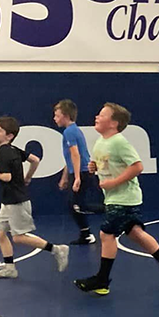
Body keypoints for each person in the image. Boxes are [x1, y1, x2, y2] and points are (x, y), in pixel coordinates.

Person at [74, 103, 159, 296]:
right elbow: (106, 164)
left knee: (106, 235)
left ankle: (102, 280)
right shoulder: (101, 142)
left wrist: (114, 182)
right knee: (134, 233)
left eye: (102, 115)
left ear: (114, 123)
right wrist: (94, 166)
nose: (96, 117)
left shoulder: (119, 142)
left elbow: (137, 166)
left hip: (123, 198)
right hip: (116, 197)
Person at [0, 117, 69, 279]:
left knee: (18, 237)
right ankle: (10, 268)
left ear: (9, 136)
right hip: (9, 200)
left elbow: (6, 177)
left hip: (16, 201)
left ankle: (57, 249)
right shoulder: (12, 149)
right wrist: (28, 177)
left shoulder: (4, 152)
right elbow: (34, 159)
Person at [54, 99, 105, 245]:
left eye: (57, 115)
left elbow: (76, 154)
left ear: (65, 116)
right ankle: (86, 234)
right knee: (74, 205)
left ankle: (114, 212)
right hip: (78, 172)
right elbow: (70, 157)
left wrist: (76, 178)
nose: (55, 118)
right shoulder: (72, 131)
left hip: (82, 172)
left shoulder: (70, 132)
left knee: (78, 206)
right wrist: (65, 177)